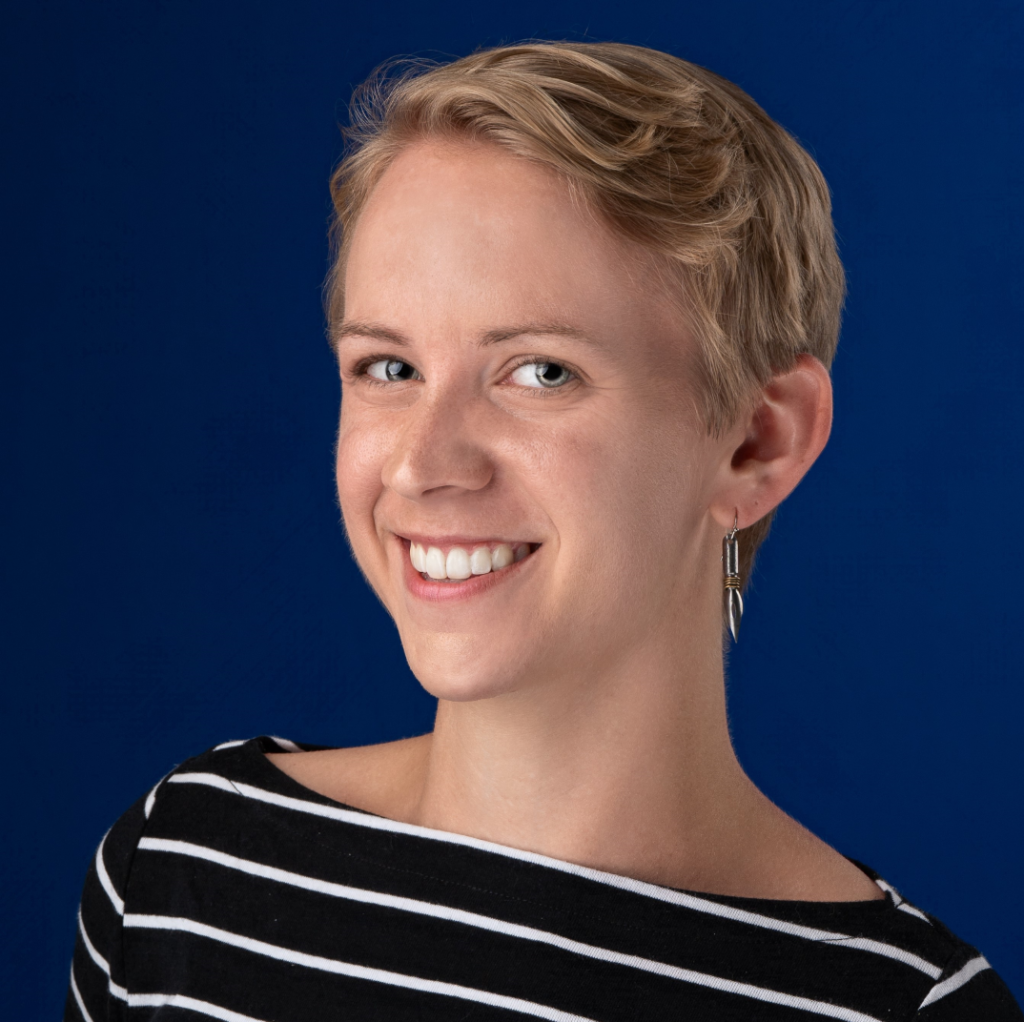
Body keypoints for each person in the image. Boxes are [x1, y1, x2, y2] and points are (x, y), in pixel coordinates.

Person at [65, 42, 1021, 1021]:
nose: (423, 463)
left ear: (756, 442)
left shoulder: (903, 1007)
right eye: (388, 367)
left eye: (540, 371)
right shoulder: (183, 865)